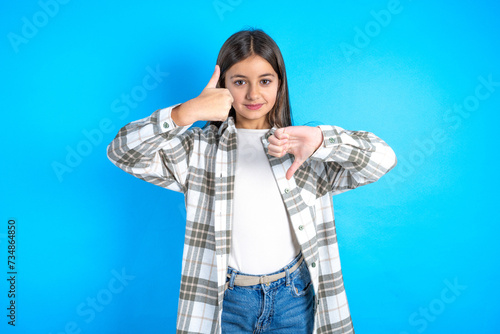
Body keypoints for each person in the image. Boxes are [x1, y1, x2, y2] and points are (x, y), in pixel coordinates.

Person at [107, 28, 397, 334]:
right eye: (240, 81)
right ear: (223, 86)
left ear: (280, 84)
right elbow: (122, 152)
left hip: (294, 298)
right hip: (225, 302)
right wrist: (187, 111)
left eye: (265, 81)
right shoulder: (198, 150)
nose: (253, 94)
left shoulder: (304, 148)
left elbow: (383, 159)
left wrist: (324, 139)